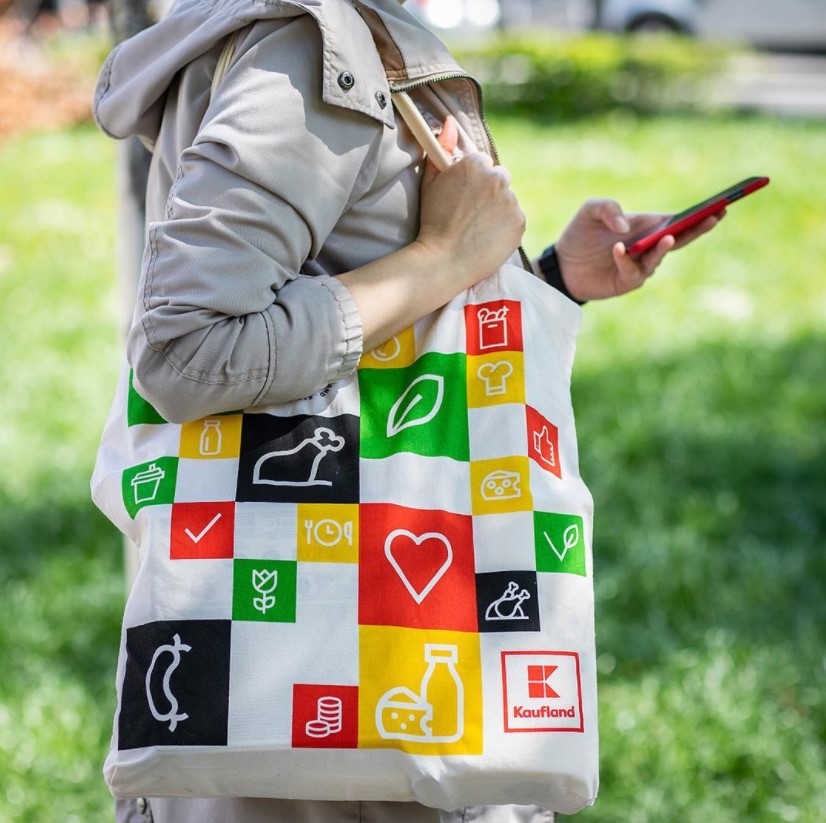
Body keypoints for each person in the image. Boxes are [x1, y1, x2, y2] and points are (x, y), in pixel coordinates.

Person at [94, 1, 721, 821]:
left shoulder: (332, 37)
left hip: (341, 684)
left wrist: (541, 277)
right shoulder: (308, 52)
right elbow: (188, 351)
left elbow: (349, 285)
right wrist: (444, 256)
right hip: (350, 739)